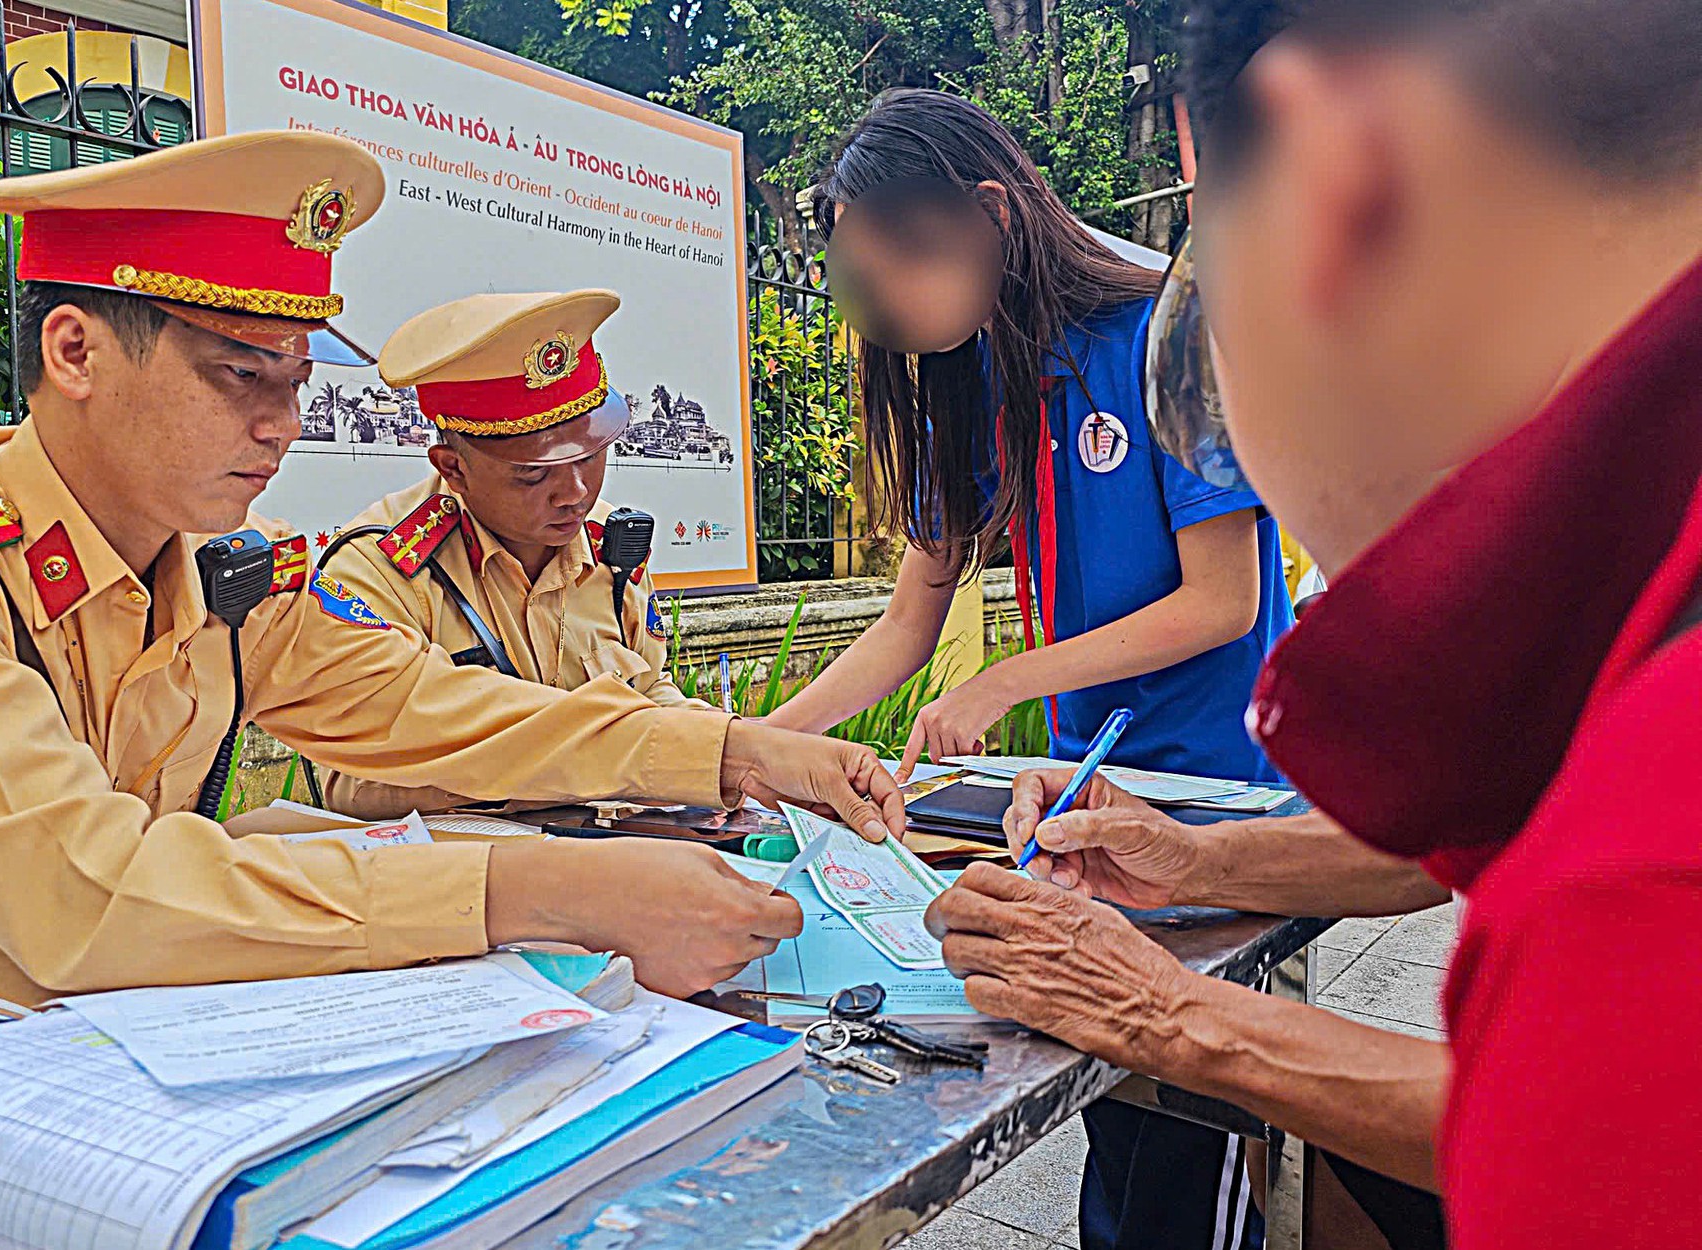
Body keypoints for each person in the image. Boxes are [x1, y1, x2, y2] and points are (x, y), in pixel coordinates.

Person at [0, 130, 907, 1008]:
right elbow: (80, 890)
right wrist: (539, 887)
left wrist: (734, 751)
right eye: (242, 373)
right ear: (74, 349)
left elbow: (423, 707)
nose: (282, 424)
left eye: (296, 379)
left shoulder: (218, 579)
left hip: (92, 1042)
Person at [924, 1, 1702, 1246]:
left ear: (1334, 187)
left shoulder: (1645, 853)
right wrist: (1201, 858)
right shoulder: (1637, 644)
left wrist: (1169, 1015)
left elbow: (1587, 1113)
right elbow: (1483, 841)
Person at [764, 89, 1294, 1250]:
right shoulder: (971, 381)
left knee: (1191, 1144)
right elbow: (909, 618)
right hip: (1079, 807)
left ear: (988, 216)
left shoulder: (1171, 334)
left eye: (890, 273)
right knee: (1116, 1110)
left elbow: (1224, 602)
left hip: (1223, 798)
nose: (881, 312)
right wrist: (748, 753)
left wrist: (1003, 679)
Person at [315, 289, 707, 820]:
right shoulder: (378, 573)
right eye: (533, 473)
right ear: (453, 467)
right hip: (465, 884)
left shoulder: (606, 546)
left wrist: (726, 755)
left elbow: (650, 687)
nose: (574, 493)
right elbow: (353, 784)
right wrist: (587, 767)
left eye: (591, 456)